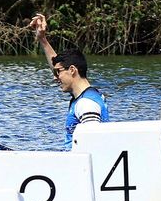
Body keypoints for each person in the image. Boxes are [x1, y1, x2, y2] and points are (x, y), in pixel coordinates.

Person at [28, 13, 109, 149]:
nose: (55, 77)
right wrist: (42, 39)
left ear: (72, 70)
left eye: (58, 73)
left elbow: (94, 145)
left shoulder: (86, 104)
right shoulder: (88, 96)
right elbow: (58, 64)